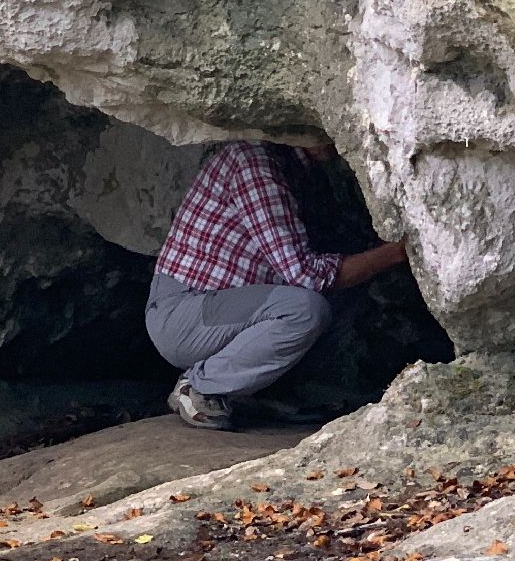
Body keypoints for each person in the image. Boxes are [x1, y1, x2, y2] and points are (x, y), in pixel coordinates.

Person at [146, 140, 407, 429]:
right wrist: (397, 251)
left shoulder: (296, 171)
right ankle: (200, 386)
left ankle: (259, 392)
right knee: (305, 309)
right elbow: (305, 275)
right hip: (185, 312)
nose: (333, 138)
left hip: (223, 308)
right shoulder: (254, 165)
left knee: (344, 290)